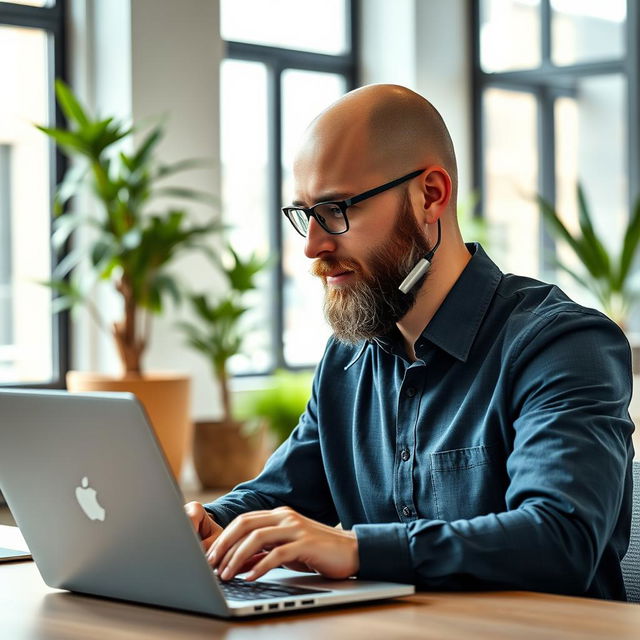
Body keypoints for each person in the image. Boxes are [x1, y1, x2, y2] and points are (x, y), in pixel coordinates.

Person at [185, 84, 635, 600]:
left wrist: (355, 549)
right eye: (305, 214)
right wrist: (208, 522)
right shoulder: (348, 358)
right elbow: (280, 495)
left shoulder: (562, 344)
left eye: (336, 210)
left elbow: (560, 539)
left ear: (431, 195)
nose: (313, 246)